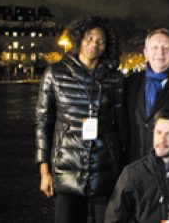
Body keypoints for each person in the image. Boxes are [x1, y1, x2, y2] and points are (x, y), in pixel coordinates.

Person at [36, 17, 124, 223]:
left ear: (107, 46)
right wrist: (44, 170)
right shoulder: (54, 74)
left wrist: (121, 166)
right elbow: (43, 123)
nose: (94, 44)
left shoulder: (115, 78)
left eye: (101, 41)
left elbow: (121, 126)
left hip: (104, 168)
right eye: (89, 38)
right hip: (66, 168)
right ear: (78, 39)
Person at [123, 28, 169, 162]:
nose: (160, 53)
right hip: (135, 163)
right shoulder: (130, 83)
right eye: (155, 48)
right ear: (146, 53)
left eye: (166, 48)